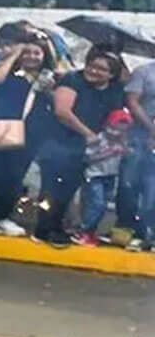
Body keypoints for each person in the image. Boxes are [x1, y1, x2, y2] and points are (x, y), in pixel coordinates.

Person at [0, 29, 54, 238]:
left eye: (36, 53)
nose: (31, 57)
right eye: (27, 52)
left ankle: (1, 218)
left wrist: (48, 88)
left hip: (30, 135)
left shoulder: (47, 79)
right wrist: (14, 54)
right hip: (0, 128)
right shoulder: (8, 73)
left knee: (13, 179)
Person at [33, 49, 126, 247]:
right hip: (58, 143)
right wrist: (88, 134)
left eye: (102, 69)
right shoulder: (72, 80)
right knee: (51, 190)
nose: (93, 70)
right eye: (91, 65)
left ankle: (56, 227)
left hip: (86, 150)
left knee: (68, 191)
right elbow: (62, 112)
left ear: (111, 74)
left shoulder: (114, 89)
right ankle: (42, 230)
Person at [75, 109, 135, 247]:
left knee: (102, 207)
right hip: (95, 175)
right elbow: (87, 158)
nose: (119, 132)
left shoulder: (122, 141)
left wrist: (126, 151)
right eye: (117, 128)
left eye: (123, 129)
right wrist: (109, 153)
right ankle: (83, 231)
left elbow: (128, 154)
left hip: (110, 177)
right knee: (96, 204)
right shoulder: (99, 139)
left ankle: (91, 232)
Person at [126, 54, 155, 251]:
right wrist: (151, 127)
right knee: (132, 185)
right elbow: (132, 102)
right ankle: (134, 231)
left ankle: (149, 233)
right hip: (138, 138)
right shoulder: (143, 72)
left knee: (152, 191)